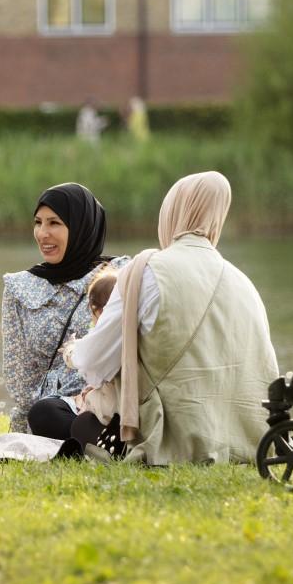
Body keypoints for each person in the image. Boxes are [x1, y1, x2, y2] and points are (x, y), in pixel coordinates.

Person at [46, 171, 277, 464]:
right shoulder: (242, 281)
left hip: (174, 438)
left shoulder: (148, 270)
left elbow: (94, 362)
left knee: (77, 424)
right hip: (246, 439)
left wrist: (72, 350)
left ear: (171, 214)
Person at [1, 183, 124, 433]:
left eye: (54, 223)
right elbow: (19, 374)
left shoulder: (119, 275)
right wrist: (25, 424)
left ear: (82, 226)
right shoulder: (19, 287)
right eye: (38, 222)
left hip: (110, 401)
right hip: (57, 410)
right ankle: (98, 440)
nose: (42, 233)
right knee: (45, 413)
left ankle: (103, 436)